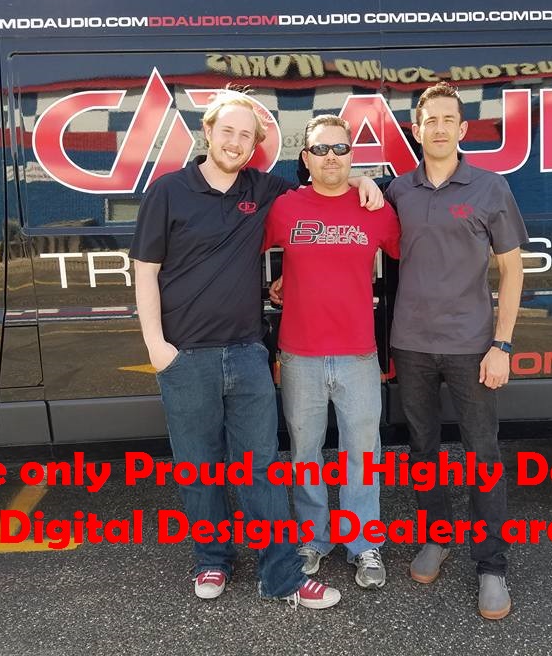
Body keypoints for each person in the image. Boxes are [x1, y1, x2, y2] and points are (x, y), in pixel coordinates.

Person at [130, 89, 382, 609]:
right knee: (199, 467)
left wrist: (360, 178)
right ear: (208, 132)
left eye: (246, 135)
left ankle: (282, 577)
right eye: (228, 131)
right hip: (185, 355)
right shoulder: (168, 191)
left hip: (247, 352)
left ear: (255, 145)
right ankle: (212, 559)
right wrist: (157, 346)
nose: (236, 142)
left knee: (259, 469)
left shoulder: (264, 189)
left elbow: (324, 185)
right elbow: (145, 271)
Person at [384, 82, 528, 620]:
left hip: (472, 347)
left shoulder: (490, 188)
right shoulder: (399, 190)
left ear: (463, 129)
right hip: (411, 344)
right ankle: (436, 537)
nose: (440, 128)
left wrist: (502, 345)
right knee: (423, 449)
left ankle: (491, 566)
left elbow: (511, 270)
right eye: (431, 121)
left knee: (482, 454)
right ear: (416, 130)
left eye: (449, 119)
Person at [263, 115, 401, 589]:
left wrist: (369, 183)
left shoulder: (375, 208)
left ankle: (364, 545)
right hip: (299, 354)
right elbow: (239, 252)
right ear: (305, 158)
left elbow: (410, 254)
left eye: (340, 149)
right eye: (320, 149)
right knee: (305, 453)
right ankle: (313, 540)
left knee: (362, 453)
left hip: (359, 354)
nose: (331, 157)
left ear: (352, 156)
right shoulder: (285, 208)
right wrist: (278, 279)